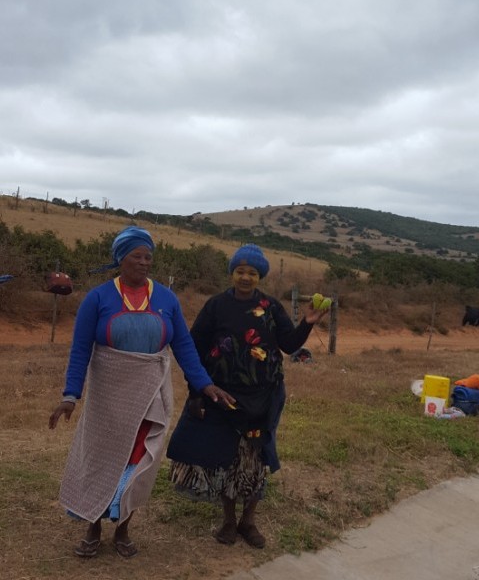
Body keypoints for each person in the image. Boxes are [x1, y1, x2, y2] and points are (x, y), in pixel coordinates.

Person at [48, 226, 233, 559]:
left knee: (139, 461)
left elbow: (184, 347)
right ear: (121, 259)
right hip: (108, 396)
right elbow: (80, 350)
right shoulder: (99, 298)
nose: (145, 262)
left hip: (150, 396)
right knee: (101, 459)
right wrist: (70, 395)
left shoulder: (165, 299)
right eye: (137, 256)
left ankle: (123, 528)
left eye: (149, 256)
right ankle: (93, 525)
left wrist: (204, 384)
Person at [167, 243, 329, 548]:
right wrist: (196, 393)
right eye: (240, 271)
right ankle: (229, 521)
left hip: (263, 396)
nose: (245, 277)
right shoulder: (216, 306)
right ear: (232, 273)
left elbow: (289, 345)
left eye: (252, 273)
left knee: (256, 457)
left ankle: (248, 522)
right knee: (228, 457)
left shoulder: (271, 307)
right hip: (224, 396)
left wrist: (307, 324)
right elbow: (194, 349)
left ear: (260, 276)